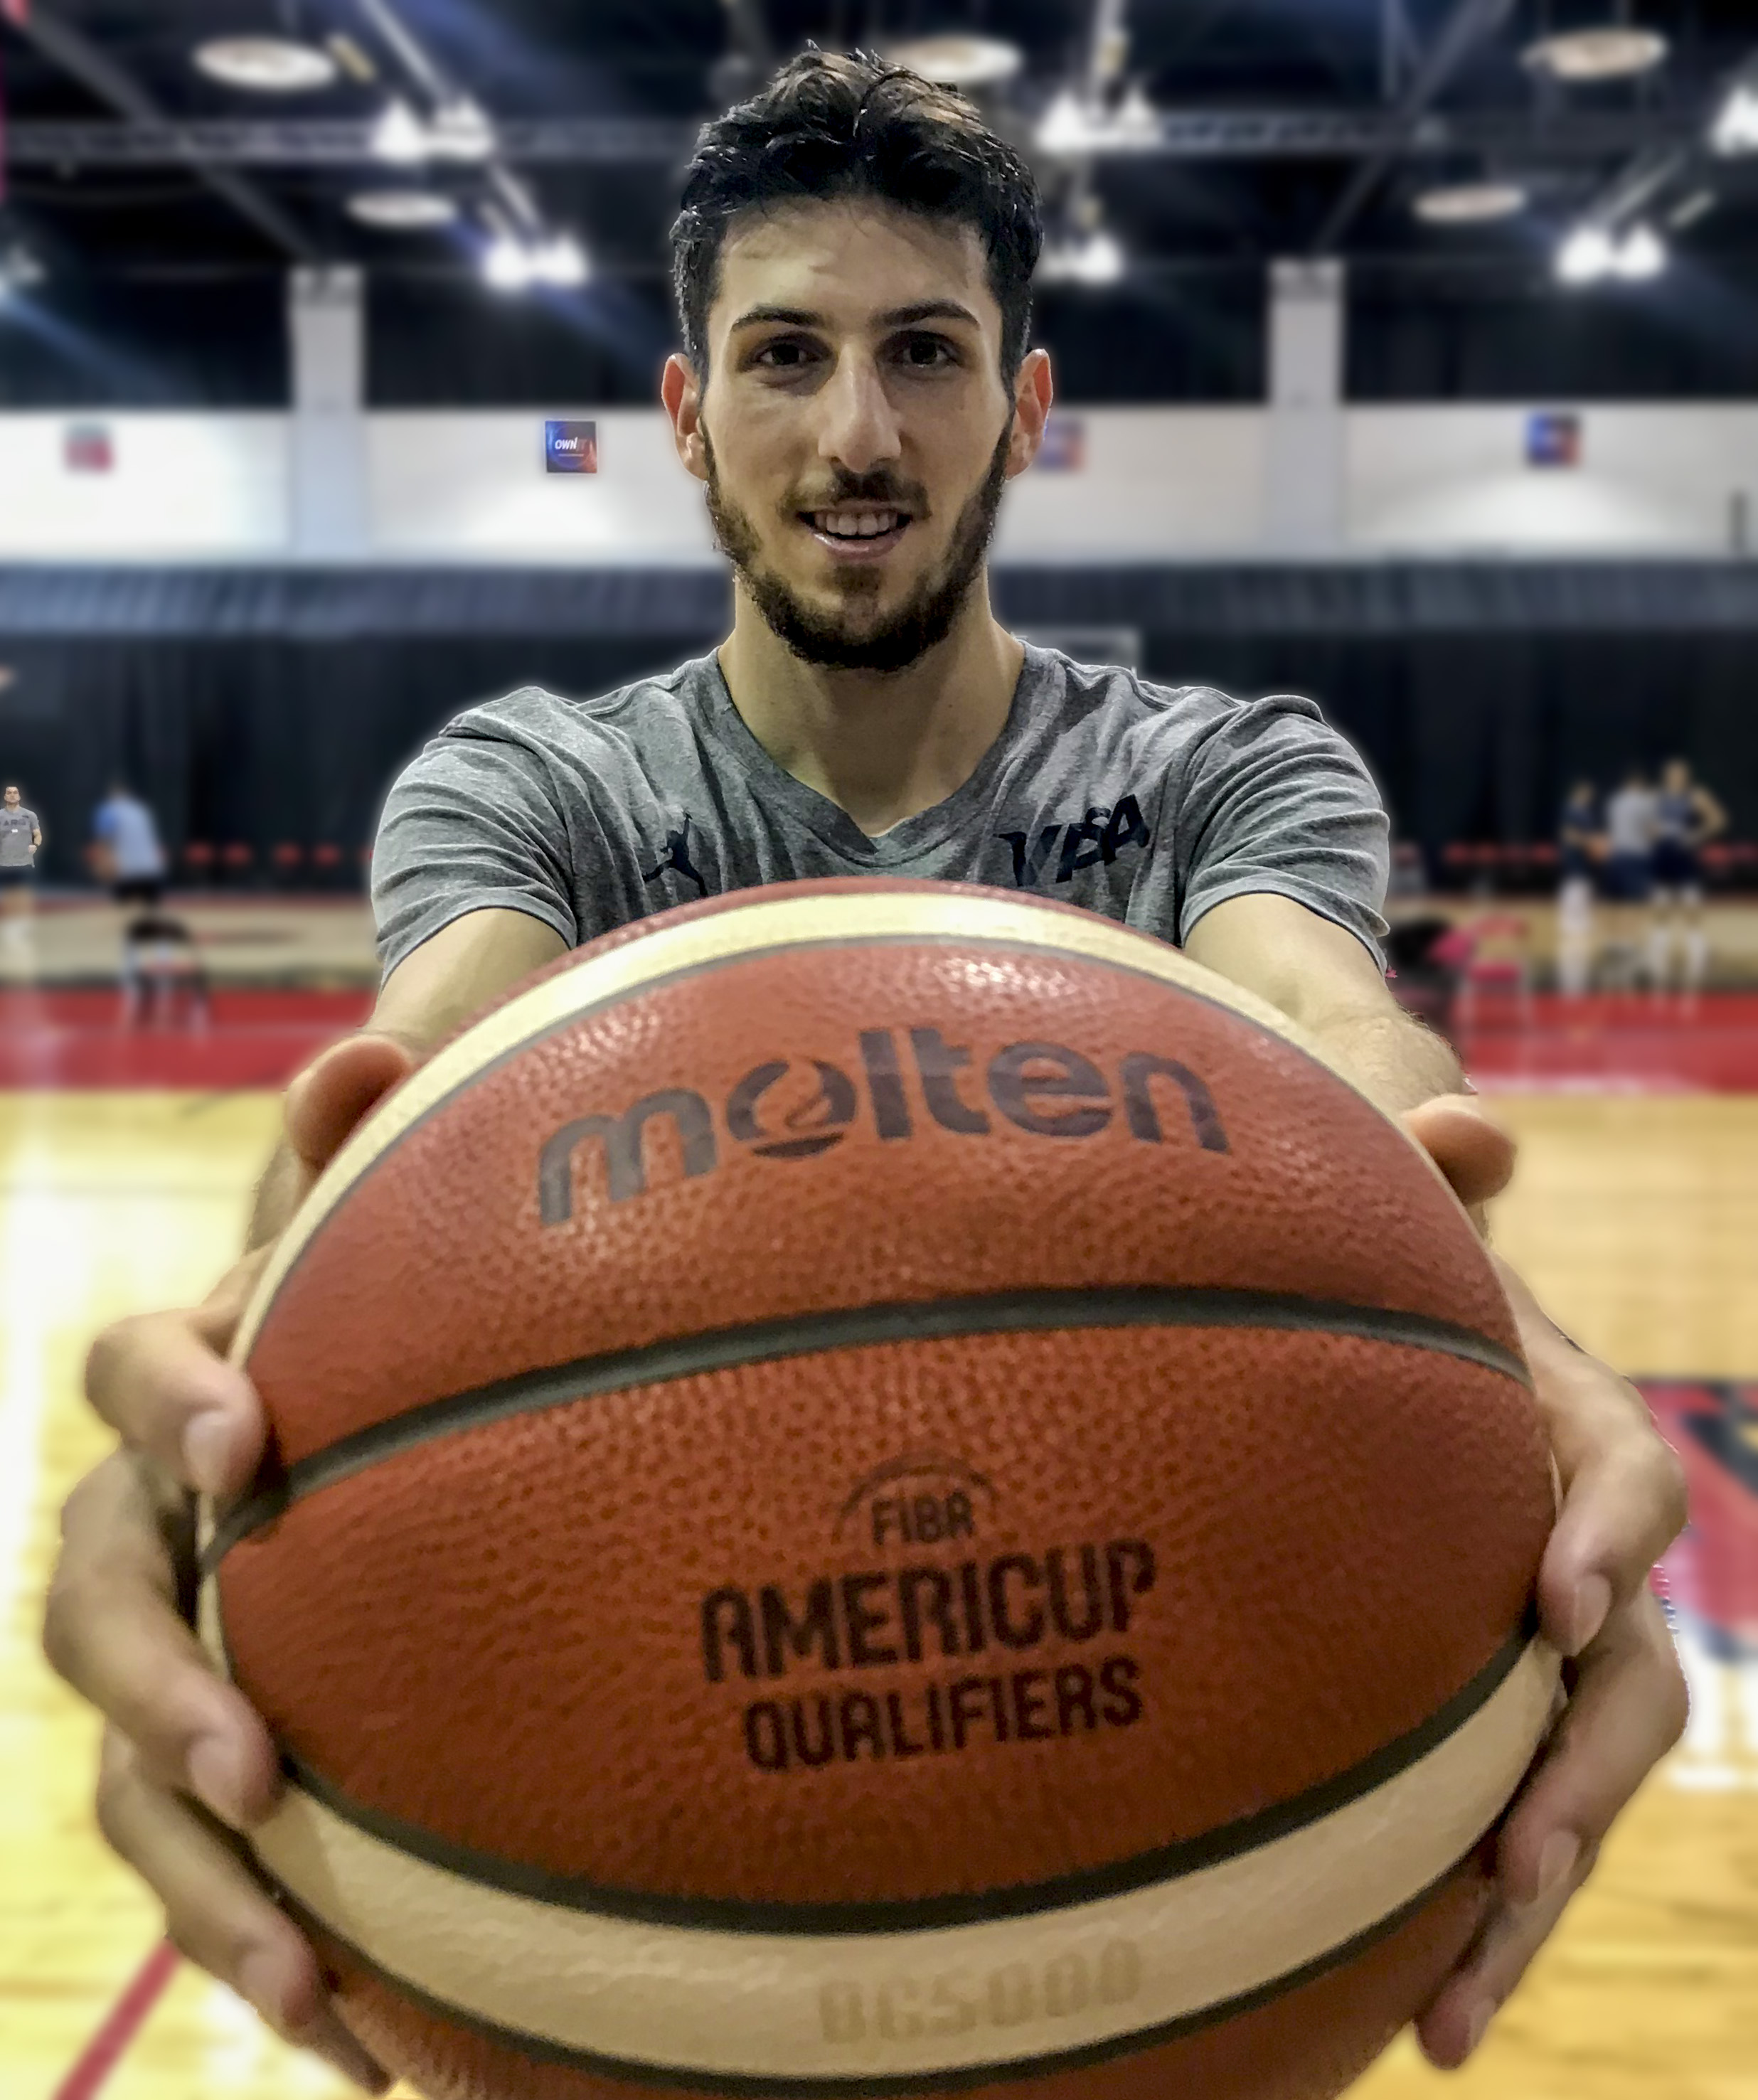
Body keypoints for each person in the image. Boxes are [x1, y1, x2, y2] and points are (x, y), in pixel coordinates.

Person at [42, 53, 1687, 2098]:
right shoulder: (539, 792)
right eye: (783, 355)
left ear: (1028, 405)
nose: (857, 433)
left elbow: (1336, 1037)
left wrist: (1477, 1308)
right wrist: (237, 1411)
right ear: (684, 416)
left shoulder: (1219, 776)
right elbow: (411, 1093)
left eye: (927, 351)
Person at [1648, 757, 1727, 993]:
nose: (1675, 777)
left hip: (1685, 857)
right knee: (1661, 905)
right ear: (1666, 775)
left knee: (1691, 905)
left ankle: (1697, 948)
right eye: (1672, 774)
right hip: (1663, 856)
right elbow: (1647, 825)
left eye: (1680, 774)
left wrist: (1697, 835)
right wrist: (1653, 831)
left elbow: (1719, 819)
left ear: (1686, 776)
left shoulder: (1696, 795)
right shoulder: (1656, 797)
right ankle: (1659, 947)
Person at [1599, 766, 1656, 988]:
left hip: (1616, 857)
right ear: (1640, 784)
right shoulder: (1645, 801)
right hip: (1636, 857)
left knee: (1615, 901)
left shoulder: (1614, 801)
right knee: (1637, 904)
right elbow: (1652, 831)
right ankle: (1632, 945)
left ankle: (1613, 942)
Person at [1556, 779, 1603, 998]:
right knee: (1574, 889)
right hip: (1574, 858)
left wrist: (1594, 845)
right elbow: (1569, 834)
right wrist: (1589, 843)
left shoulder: (1586, 813)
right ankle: (1569, 928)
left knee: (1582, 889)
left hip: (1582, 861)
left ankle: (1579, 929)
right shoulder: (1572, 811)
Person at [92, 781, 169, 909]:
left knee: (124, 917)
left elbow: (105, 842)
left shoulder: (109, 810)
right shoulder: (141, 810)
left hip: (127, 872)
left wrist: (102, 866)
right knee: (152, 915)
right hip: (151, 869)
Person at [0, 780, 43, 954]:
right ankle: (10, 931)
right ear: (4, 796)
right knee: (8, 896)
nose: (12, 794)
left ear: (20, 796)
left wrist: (36, 844)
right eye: (9, 792)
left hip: (24, 861)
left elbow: (38, 834)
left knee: (23, 895)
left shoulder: (29, 815)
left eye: (15, 792)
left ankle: (23, 930)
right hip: (4, 862)